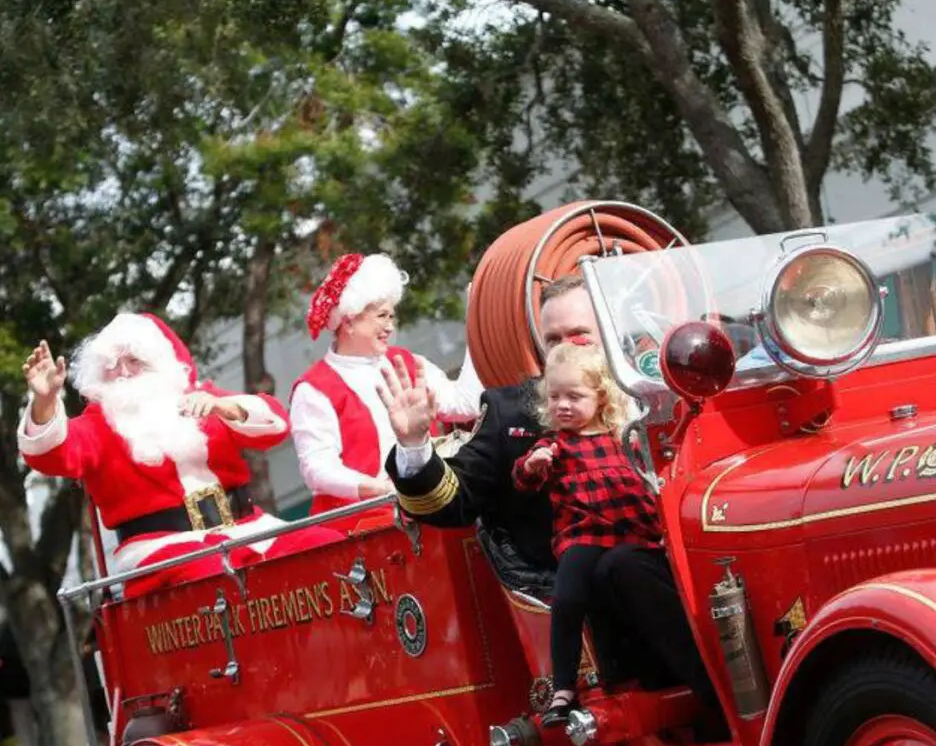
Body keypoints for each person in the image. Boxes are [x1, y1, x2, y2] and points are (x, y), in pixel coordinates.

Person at [381, 274, 720, 721]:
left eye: (579, 334)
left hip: (702, 558)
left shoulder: (667, 383)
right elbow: (450, 503)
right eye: (553, 338)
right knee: (621, 563)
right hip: (601, 596)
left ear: (609, 329)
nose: (568, 346)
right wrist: (413, 444)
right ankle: (723, 709)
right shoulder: (516, 410)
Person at [18, 312, 341, 596]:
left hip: (247, 528)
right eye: (111, 367)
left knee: (325, 545)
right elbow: (51, 454)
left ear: (160, 363)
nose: (124, 373)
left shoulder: (203, 398)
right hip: (159, 549)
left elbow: (275, 426)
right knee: (214, 579)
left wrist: (223, 407)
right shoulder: (96, 426)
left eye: (134, 360)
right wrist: (45, 404)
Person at [512, 341, 665, 725]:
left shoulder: (620, 438)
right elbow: (523, 480)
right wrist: (533, 465)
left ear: (600, 397)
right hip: (584, 534)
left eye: (574, 396)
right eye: (555, 396)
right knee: (567, 598)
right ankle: (564, 687)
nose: (562, 405)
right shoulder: (554, 444)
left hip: (632, 528)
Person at [290, 252, 481, 520]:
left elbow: (466, 404)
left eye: (392, 316)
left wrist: (477, 324)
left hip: (421, 507)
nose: (390, 327)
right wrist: (381, 489)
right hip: (359, 525)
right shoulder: (313, 389)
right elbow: (317, 468)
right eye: (382, 316)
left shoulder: (405, 361)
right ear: (349, 320)